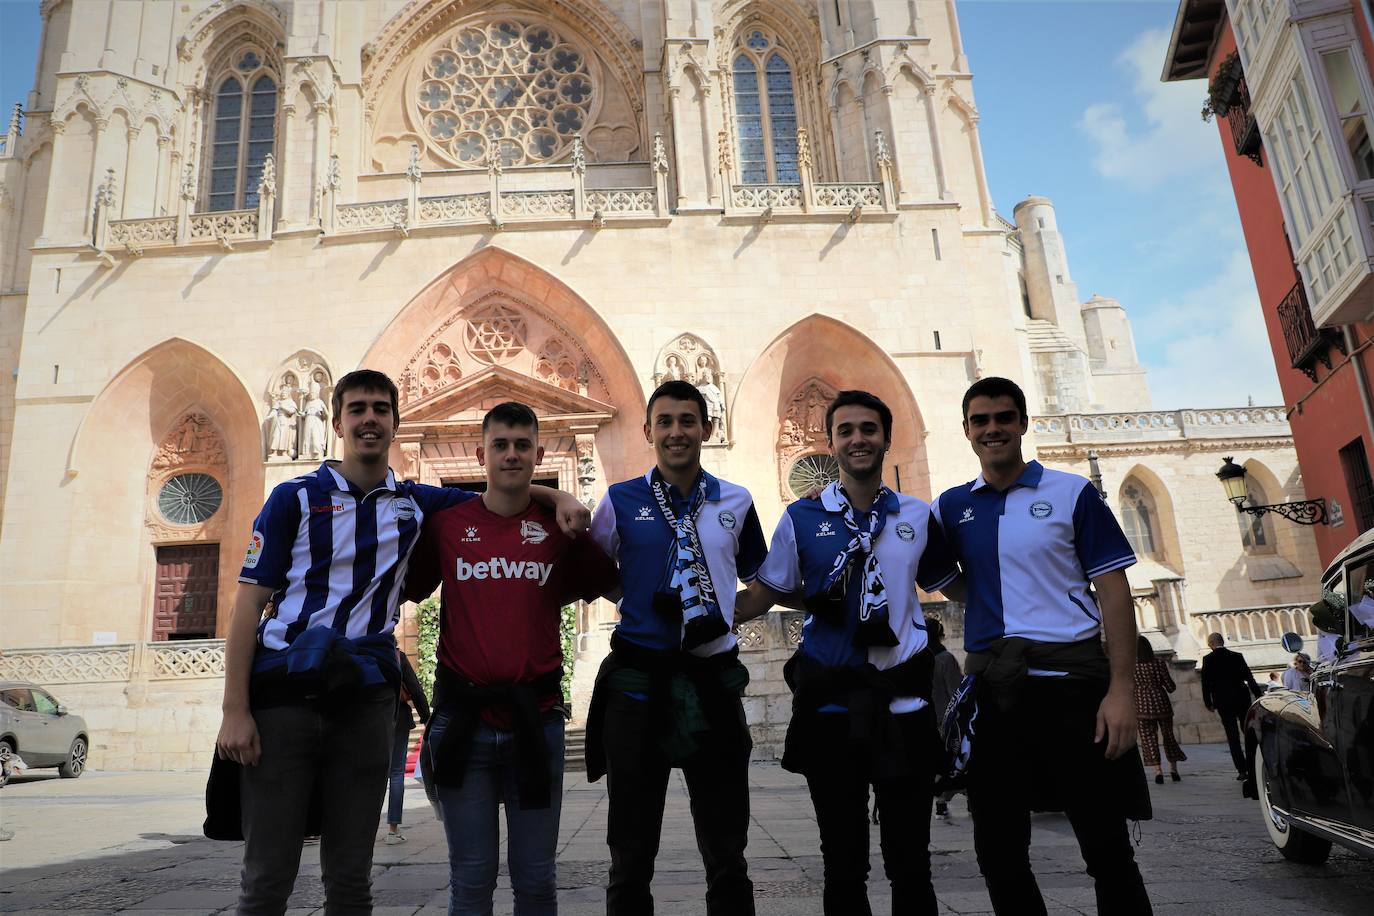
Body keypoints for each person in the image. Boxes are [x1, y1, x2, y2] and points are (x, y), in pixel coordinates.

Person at [214, 369, 590, 915]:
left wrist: (553, 493)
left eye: (380, 409)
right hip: (285, 696)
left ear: (395, 423)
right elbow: (248, 603)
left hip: (365, 699)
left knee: (350, 875)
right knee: (268, 874)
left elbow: (496, 489)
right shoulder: (292, 498)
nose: (369, 419)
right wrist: (235, 710)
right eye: (358, 409)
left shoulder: (417, 505)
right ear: (337, 421)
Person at [932, 376, 1151, 916]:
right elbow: (943, 576)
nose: (992, 429)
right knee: (998, 850)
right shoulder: (951, 506)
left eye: (1003, 417)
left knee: (1105, 847)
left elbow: (1113, 589)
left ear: (1023, 424)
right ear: (966, 430)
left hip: (1074, 691)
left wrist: (1121, 689)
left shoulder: (1071, 493)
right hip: (995, 694)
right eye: (980, 420)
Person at [735, 390, 958, 915]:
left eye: (868, 429)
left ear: (886, 438)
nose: (858, 439)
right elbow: (768, 593)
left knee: (911, 862)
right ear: (831, 441)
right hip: (832, 707)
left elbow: (956, 585)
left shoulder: (918, 516)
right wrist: (697, 615)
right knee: (841, 861)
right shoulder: (801, 518)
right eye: (846, 431)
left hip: (903, 704)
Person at [405, 401, 618, 916]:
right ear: (481, 454)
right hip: (464, 725)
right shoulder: (447, 527)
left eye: (523, 445)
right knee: (471, 881)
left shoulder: (560, 532)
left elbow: (611, 584)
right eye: (500, 444)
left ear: (538, 452)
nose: (511, 454)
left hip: (536, 722)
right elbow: (405, 585)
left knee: (537, 881)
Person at [586, 379, 767, 916]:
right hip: (639, 686)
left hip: (711, 680)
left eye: (688, 421)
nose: (676, 432)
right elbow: (594, 569)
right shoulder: (621, 499)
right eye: (664, 422)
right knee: (631, 849)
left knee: (727, 844)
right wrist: (635, 601)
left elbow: (762, 577)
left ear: (707, 429)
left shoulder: (736, 500)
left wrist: (719, 613)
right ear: (647, 431)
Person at [1199, 632, 1262, 780]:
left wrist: (1208, 702)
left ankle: (1242, 770)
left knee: (1232, 735)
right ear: (1223, 642)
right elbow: (1249, 677)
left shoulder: (1208, 660)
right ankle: (1254, 764)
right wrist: (1258, 694)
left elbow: (1205, 684)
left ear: (1210, 645)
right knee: (1248, 731)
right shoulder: (1237, 656)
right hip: (1241, 697)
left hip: (1223, 701)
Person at [383, 650, 431, 845]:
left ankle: (364, 830)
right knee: (396, 774)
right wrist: (427, 719)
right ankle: (393, 830)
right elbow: (415, 689)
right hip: (398, 720)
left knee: (369, 775)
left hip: (371, 720)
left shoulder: (361, 651)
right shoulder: (396, 656)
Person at [1133, 635, 1185, 785]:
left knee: (1148, 739)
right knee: (1168, 736)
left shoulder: (1132, 666)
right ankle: (1174, 770)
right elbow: (1170, 687)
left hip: (1142, 706)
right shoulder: (1158, 663)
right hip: (1161, 703)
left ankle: (1158, 771)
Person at [927, 616, 963, 818]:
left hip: (928, 718)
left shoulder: (921, 658)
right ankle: (945, 797)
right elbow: (956, 691)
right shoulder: (945, 659)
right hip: (946, 719)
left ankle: (941, 799)